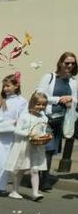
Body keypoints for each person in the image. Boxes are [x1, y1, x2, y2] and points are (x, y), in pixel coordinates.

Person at [36, 51, 76, 180]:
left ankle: (39, 177)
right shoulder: (50, 77)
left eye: (72, 63)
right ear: (60, 63)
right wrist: (58, 99)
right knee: (48, 148)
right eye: (67, 63)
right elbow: (40, 95)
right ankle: (43, 179)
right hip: (47, 117)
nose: (69, 65)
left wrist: (70, 99)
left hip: (62, 120)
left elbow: (76, 98)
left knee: (51, 151)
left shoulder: (73, 81)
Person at [5, 92, 51, 200]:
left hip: (36, 146)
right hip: (24, 145)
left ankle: (35, 193)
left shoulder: (44, 118)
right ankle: (14, 190)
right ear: (31, 104)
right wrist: (28, 134)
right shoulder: (24, 116)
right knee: (20, 168)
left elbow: (43, 130)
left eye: (43, 105)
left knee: (35, 169)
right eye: (38, 104)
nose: (40, 107)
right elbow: (17, 130)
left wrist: (45, 136)